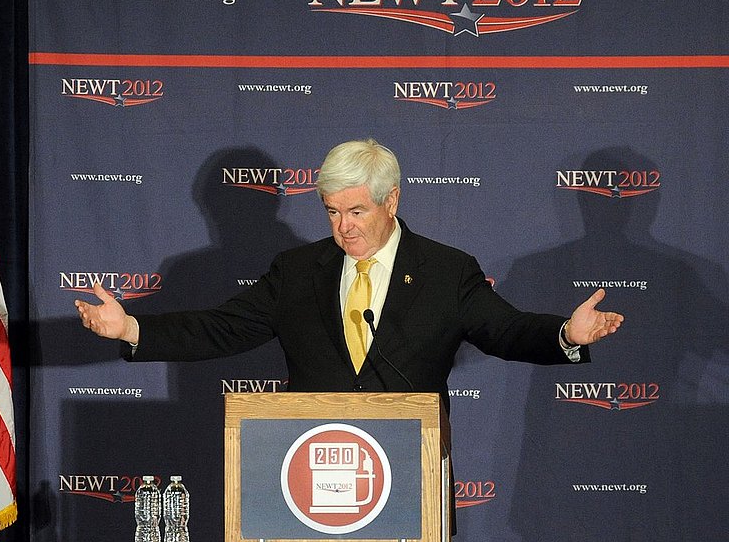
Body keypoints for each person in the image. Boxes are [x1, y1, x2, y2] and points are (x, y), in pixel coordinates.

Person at [75, 139, 623, 404]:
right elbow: (225, 328)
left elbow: (504, 331)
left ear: (393, 201)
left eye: (357, 211)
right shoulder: (297, 271)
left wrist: (565, 336)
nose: (344, 229)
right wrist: (131, 329)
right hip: (309, 464)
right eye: (332, 212)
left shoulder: (446, 270)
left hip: (411, 467)